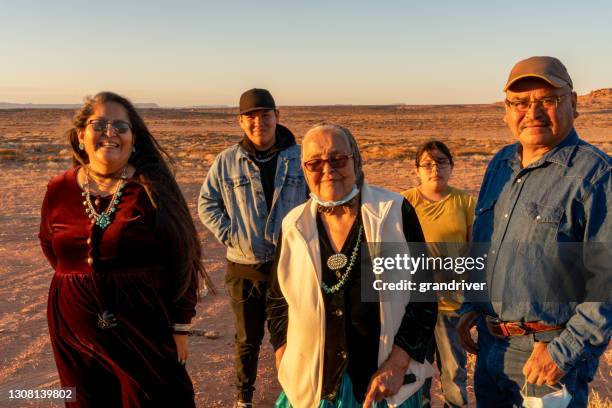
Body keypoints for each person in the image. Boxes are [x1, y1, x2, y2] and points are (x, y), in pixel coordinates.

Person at [457, 56, 611, 407]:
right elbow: (485, 245)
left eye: (548, 100)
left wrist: (563, 353)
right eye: (520, 103)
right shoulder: (500, 164)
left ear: (573, 103)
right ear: (506, 110)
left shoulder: (596, 175)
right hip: (490, 346)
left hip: (548, 355)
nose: (533, 112)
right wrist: (472, 304)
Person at [39, 91, 205, 407]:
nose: (110, 132)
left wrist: (180, 325)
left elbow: (184, 255)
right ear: (80, 136)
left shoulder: (152, 189)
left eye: (121, 126)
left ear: (134, 138)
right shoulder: (58, 188)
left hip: (143, 324)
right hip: (73, 327)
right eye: (99, 124)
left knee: (157, 398)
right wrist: (78, 282)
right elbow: (50, 244)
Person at [267, 124, 438, 408]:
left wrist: (397, 365)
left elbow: (424, 296)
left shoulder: (393, 212)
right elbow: (277, 300)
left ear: (356, 160)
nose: (327, 169)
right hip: (312, 388)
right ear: (304, 170)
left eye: (338, 158)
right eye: (315, 163)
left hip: (384, 386)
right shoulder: (294, 226)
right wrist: (282, 354)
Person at [197, 88, 307, 408]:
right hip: (245, 265)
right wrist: (232, 234)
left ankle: (294, 393)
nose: (258, 122)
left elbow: (316, 201)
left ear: (277, 116)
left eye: (264, 114)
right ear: (241, 121)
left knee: (289, 336)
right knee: (248, 338)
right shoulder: (227, 161)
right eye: (251, 116)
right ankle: (243, 397)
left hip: (290, 264)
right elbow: (207, 204)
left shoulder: (299, 157)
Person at [402, 141, 474, 408]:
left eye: (442, 162)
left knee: (453, 371)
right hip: (412, 305)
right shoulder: (404, 201)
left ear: (452, 166)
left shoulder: (465, 202)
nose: (435, 169)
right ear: (417, 170)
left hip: (452, 305)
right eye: (428, 164)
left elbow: (475, 253)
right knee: (414, 372)